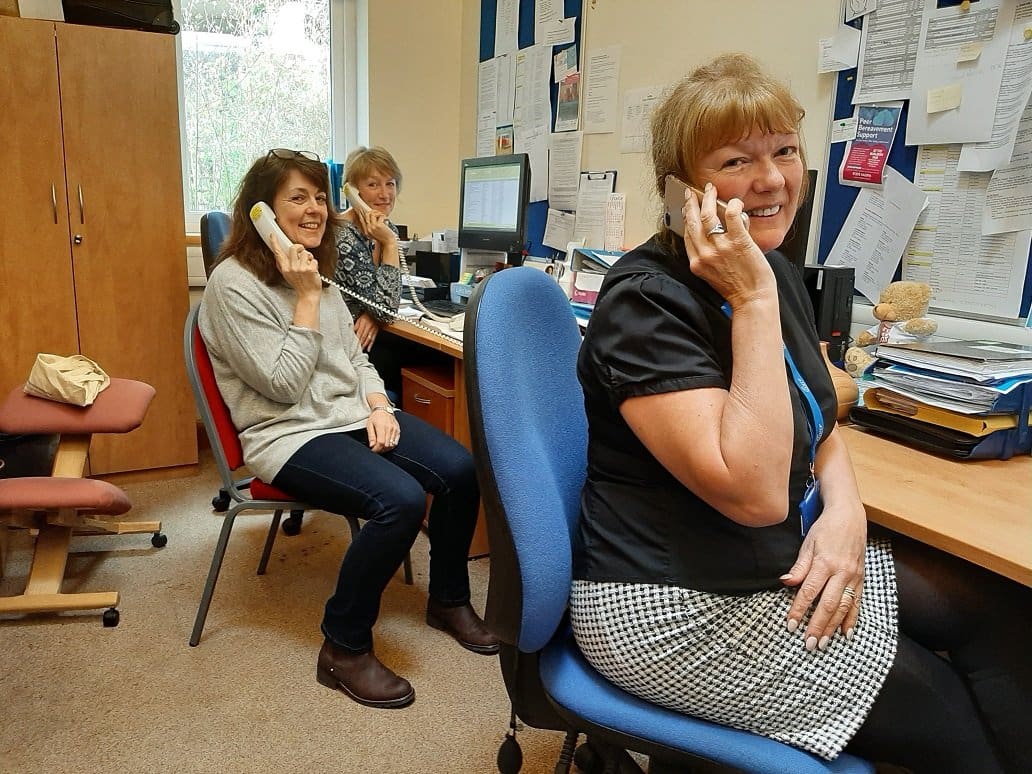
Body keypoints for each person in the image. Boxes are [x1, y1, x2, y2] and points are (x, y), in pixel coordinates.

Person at [569, 54, 1031, 773]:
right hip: (668, 604)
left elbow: (818, 420)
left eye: (785, 150)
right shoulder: (646, 302)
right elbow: (752, 492)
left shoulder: (775, 271)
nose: (772, 179)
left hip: (768, 559)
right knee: (949, 714)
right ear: (680, 190)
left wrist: (847, 516)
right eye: (735, 160)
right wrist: (750, 303)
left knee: (1001, 611)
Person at [199, 148, 498, 711]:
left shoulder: (319, 273)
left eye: (318, 197)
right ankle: (343, 645)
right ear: (260, 211)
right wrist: (307, 299)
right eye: (297, 197)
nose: (314, 210)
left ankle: (449, 600)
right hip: (286, 434)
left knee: (460, 470)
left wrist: (381, 405)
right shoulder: (233, 285)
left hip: (352, 415)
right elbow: (284, 386)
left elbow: (357, 360)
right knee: (400, 501)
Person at [334, 145, 445, 397]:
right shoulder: (341, 235)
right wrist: (390, 244)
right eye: (373, 185)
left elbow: (382, 307)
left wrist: (373, 314)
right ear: (352, 191)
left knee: (437, 355)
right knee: (433, 357)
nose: (385, 194)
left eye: (390, 184)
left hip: (369, 336)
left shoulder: (384, 228)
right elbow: (385, 307)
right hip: (347, 345)